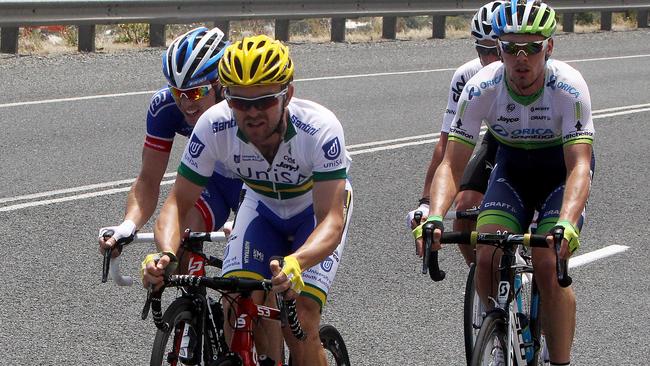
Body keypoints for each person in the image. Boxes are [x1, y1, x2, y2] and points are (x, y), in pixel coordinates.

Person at [142, 35, 353, 366]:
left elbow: (331, 219)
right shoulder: (214, 126)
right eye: (240, 102)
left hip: (312, 212)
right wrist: (166, 254)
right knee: (234, 303)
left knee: (299, 319)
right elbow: (176, 206)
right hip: (262, 206)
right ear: (226, 97)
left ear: (288, 95)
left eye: (265, 101)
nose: (252, 114)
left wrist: (297, 262)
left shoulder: (319, 129)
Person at [415, 1, 594, 365]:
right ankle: (498, 333)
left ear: (550, 48)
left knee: (546, 263)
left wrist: (566, 223)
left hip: (558, 173)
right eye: (511, 48)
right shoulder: (481, 88)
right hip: (512, 170)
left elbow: (579, 166)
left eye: (532, 48)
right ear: (498, 50)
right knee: (486, 254)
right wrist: (434, 215)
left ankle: (558, 358)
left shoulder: (569, 87)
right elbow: (451, 162)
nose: (521, 58)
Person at [98, 27, 242, 255]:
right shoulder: (164, 107)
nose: (186, 104)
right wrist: (128, 225)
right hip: (212, 181)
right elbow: (148, 179)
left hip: (256, 184)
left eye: (196, 92)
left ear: (220, 86)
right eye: (177, 92)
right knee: (181, 239)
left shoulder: (244, 108)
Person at [407, 1, 503, 266]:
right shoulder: (467, 77)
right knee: (465, 211)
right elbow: (447, 145)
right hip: (499, 139)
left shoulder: (530, 72)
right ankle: (485, 285)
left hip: (542, 147)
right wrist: (426, 204)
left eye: (496, 50)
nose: (490, 60)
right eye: (482, 50)